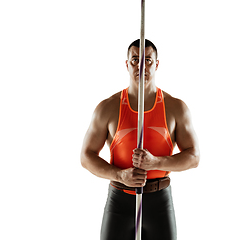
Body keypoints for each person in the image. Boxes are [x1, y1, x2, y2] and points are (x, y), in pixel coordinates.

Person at [80, 39, 200, 240]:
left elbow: (194, 157)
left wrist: (156, 162)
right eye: (135, 60)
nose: (141, 65)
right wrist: (120, 175)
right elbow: (86, 156)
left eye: (148, 60)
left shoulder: (175, 108)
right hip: (120, 201)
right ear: (127, 64)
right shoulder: (108, 108)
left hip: (159, 202)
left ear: (157, 64)